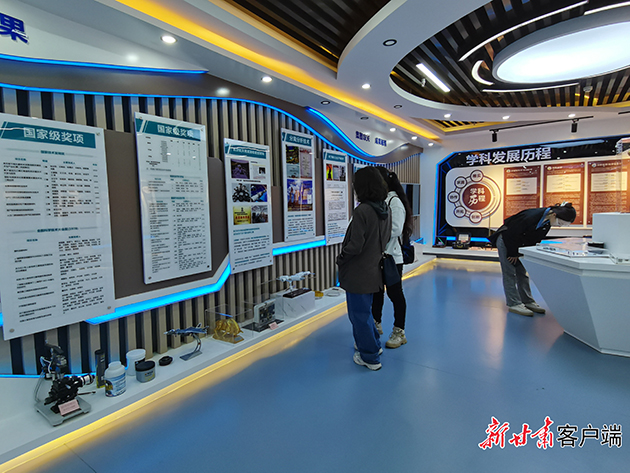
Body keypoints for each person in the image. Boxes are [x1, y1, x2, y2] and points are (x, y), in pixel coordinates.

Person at [337, 167, 392, 371]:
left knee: (358, 315)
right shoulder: (385, 209)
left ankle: (370, 357)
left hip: (357, 273)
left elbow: (355, 245)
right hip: (373, 270)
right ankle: (374, 345)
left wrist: (341, 258)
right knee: (365, 313)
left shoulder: (362, 211)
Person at [491, 202, 577, 317]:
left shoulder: (546, 223)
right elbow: (511, 233)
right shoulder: (531, 216)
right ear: (554, 215)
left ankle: (527, 301)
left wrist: (523, 253)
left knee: (522, 272)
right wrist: (513, 253)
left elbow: (534, 239)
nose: (559, 226)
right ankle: (514, 303)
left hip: (519, 244)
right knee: (509, 272)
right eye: (560, 223)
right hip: (507, 241)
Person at [372, 167, 413, 348]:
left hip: (391, 258)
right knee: (376, 293)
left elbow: (395, 229)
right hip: (376, 257)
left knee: (395, 294)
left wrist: (371, 234)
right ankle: (376, 324)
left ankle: (399, 331)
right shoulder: (378, 200)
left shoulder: (394, 201)